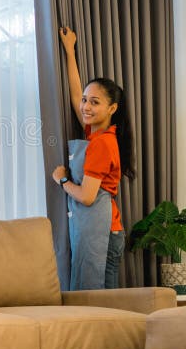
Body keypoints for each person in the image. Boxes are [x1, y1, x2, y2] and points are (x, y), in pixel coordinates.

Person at [51, 27, 135, 290]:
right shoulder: (96, 134)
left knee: (101, 303)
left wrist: (62, 179)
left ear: (111, 109)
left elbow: (87, 196)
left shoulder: (101, 144)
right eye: (87, 101)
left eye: (95, 102)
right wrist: (69, 51)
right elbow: (77, 94)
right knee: (95, 298)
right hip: (102, 227)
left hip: (104, 230)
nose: (86, 107)